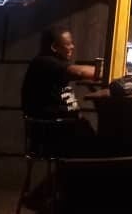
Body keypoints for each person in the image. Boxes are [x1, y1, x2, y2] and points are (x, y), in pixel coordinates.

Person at [19, 27, 101, 211]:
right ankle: (57, 200)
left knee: (93, 150)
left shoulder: (52, 63)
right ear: (54, 47)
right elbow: (81, 73)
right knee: (97, 151)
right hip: (50, 133)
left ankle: (51, 198)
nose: (72, 47)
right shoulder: (45, 63)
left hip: (61, 129)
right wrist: (107, 70)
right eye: (68, 44)